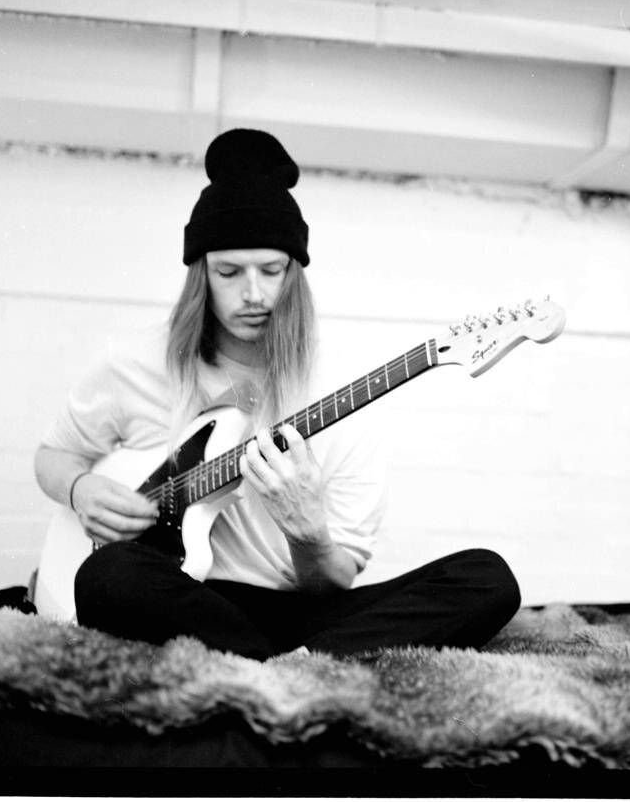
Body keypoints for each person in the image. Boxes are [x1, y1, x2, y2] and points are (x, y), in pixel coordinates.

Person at [33, 128, 521, 661]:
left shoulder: (344, 395)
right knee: (107, 573)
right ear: (200, 275)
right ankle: (301, 662)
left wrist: (308, 532)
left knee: (486, 577)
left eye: (271, 270)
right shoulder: (135, 362)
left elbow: (332, 584)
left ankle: (288, 662)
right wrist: (80, 489)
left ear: (294, 273)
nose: (254, 294)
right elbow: (53, 455)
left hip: (297, 611)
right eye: (228, 272)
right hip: (187, 598)